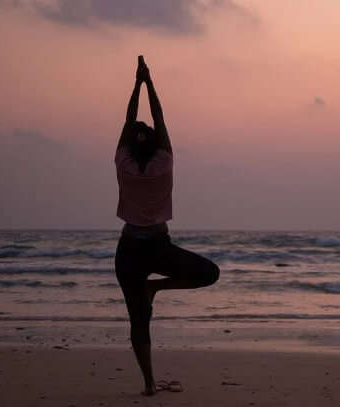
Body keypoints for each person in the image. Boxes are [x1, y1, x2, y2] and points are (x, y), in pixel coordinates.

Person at [114, 56, 220, 396]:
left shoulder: (124, 163)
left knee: (139, 322)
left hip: (130, 249)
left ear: (129, 144)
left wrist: (136, 85)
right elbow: (158, 119)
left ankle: (148, 383)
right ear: (156, 144)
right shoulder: (165, 161)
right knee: (209, 273)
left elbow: (130, 121)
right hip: (156, 247)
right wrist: (148, 83)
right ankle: (157, 289)